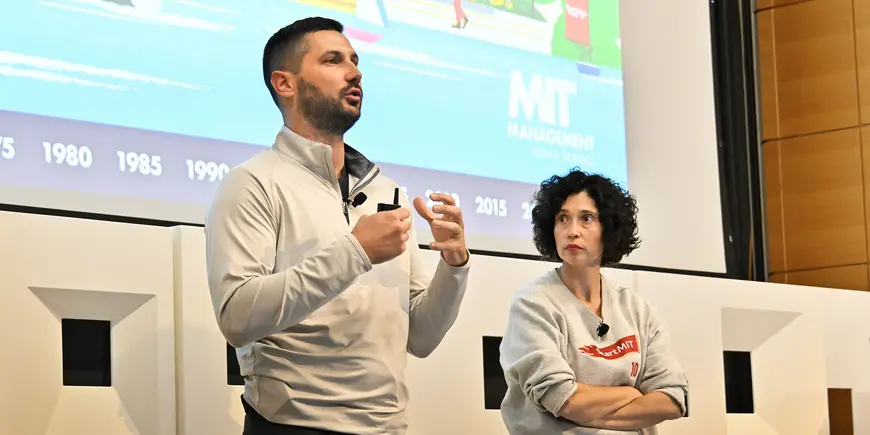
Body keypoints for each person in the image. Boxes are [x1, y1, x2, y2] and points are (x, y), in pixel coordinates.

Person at [204, 16, 471, 435]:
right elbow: (237, 317)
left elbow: (420, 337)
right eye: (333, 60)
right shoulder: (252, 183)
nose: (355, 72)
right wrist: (356, 252)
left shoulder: (389, 191)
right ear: (285, 83)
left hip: (389, 428)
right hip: (292, 425)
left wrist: (454, 268)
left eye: (355, 60)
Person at [498, 168, 688, 434]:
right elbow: (563, 400)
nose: (572, 231)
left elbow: (672, 398)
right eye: (563, 218)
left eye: (586, 218)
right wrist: (631, 394)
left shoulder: (639, 310)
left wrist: (587, 408)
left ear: (608, 228)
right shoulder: (533, 304)